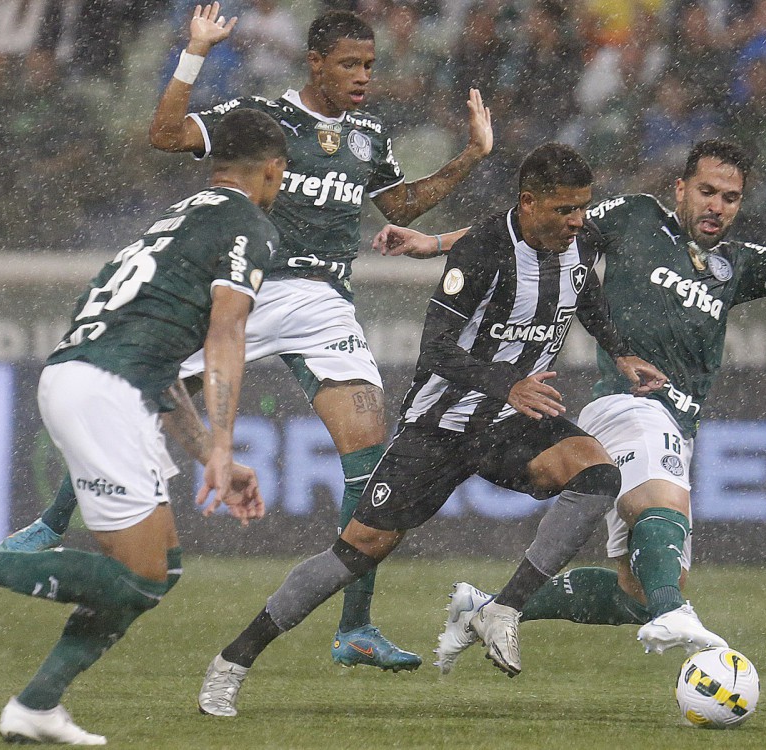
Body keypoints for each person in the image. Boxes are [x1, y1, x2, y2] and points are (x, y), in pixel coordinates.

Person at [0, 4, 494, 672]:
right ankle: (51, 524)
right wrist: (195, 51)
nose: (362, 77)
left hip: (326, 305)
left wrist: (471, 155)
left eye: (370, 66)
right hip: (252, 288)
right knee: (145, 387)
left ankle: (355, 628)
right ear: (314, 61)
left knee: (370, 459)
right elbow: (166, 133)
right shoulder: (263, 121)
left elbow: (399, 205)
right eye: (349, 64)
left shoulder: (368, 133)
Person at [376, 136, 766, 668]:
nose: (717, 207)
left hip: (679, 423)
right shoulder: (636, 217)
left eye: (730, 198)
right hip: (626, 403)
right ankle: (675, 615)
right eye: (707, 192)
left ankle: (492, 607)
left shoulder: (736, 266)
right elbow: (532, 226)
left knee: (634, 591)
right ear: (680, 189)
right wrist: (436, 243)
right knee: (661, 522)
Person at [195, 143, 668, 716]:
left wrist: (620, 354)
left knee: (595, 473)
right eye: (565, 210)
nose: (577, 222)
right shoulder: (483, 250)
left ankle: (504, 608)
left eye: (582, 209)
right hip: (437, 429)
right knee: (356, 551)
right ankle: (233, 661)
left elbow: (585, 296)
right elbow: (436, 350)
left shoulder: (578, 244)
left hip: (503, 423)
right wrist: (508, 384)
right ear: (529, 201)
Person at [0, 108, 284, 745]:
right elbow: (226, 332)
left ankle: (38, 705)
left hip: (86, 377)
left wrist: (211, 450)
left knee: (159, 569)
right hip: (105, 391)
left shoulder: (168, 227)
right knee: (139, 577)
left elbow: (158, 371)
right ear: (273, 169)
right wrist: (225, 444)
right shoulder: (249, 227)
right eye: (281, 174)